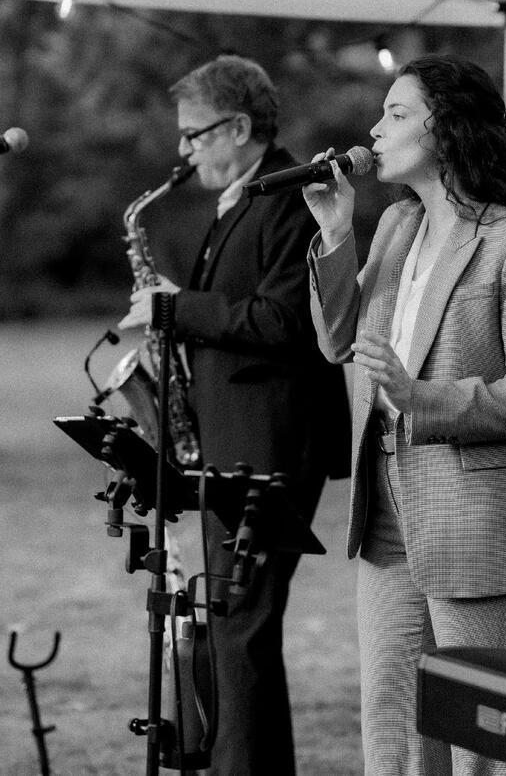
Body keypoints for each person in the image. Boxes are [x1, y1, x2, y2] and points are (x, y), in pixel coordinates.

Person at [303, 54, 506, 776]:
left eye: (396, 114)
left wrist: (420, 397)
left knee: (482, 738)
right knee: (395, 729)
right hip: (387, 511)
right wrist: (337, 233)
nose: (375, 128)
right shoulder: (398, 225)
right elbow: (337, 338)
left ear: (448, 131)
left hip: (476, 518)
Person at [119, 53, 351, 776]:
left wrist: (174, 307)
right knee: (234, 626)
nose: (183, 152)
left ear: (239, 127)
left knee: (238, 626)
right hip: (239, 436)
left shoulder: (288, 195)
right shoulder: (240, 200)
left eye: (194, 135)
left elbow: (284, 320)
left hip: (270, 442)